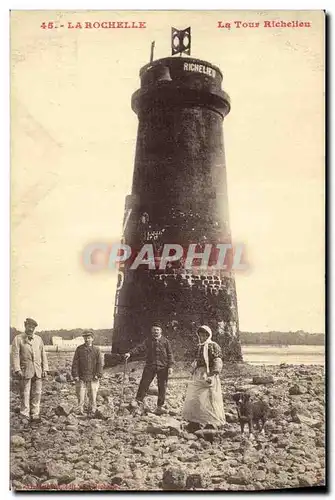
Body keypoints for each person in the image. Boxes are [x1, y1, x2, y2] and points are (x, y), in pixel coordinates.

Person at [182, 325, 225, 432]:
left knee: (208, 398)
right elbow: (197, 360)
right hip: (198, 374)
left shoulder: (213, 346)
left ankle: (211, 422)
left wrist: (213, 373)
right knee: (195, 397)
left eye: (204, 335)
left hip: (209, 373)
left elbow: (217, 360)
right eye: (200, 335)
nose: (202, 337)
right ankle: (195, 421)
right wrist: (192, 371)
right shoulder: (199, 346)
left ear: (208, 335)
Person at [124, 322, 174, 414]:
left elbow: (170, 354)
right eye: (154, 330)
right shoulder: (148, 341)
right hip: (150, 366)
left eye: (157, 330)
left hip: (163, 367)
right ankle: (138, 401)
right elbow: (139, 348)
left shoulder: (166, 342)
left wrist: (170, 366)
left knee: (162, 387)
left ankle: (160, 406)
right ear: (152, 331)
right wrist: (130, 353)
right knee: (144, 383)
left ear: (161, 331)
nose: (156, 332)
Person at [12, 317, 49, 422]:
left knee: (37, 392)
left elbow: (43, 354)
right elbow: (15, 355)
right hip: (25, 370)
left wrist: (45, 369)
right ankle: (24, 413)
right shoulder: (18, 339)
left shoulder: (38, 339)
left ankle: (35, 413)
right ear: (25, 326)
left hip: (38, 370)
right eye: (29, 326)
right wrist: (17, 369)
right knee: (25, 392)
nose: (31, 329)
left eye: (33, 327)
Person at [71, 330, 103, 416]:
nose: (86, 339)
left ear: (92, 339)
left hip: (93, 376)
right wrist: (75, 375)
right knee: (80, 394)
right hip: (81, 377)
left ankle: (92, 409)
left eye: (88, 338)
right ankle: (80, 409)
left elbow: (99, 363)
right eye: (85, 338)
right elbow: (75, 363)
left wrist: (98, 374)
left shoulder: (97, 350)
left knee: (93, 394)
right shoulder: (79, 349)